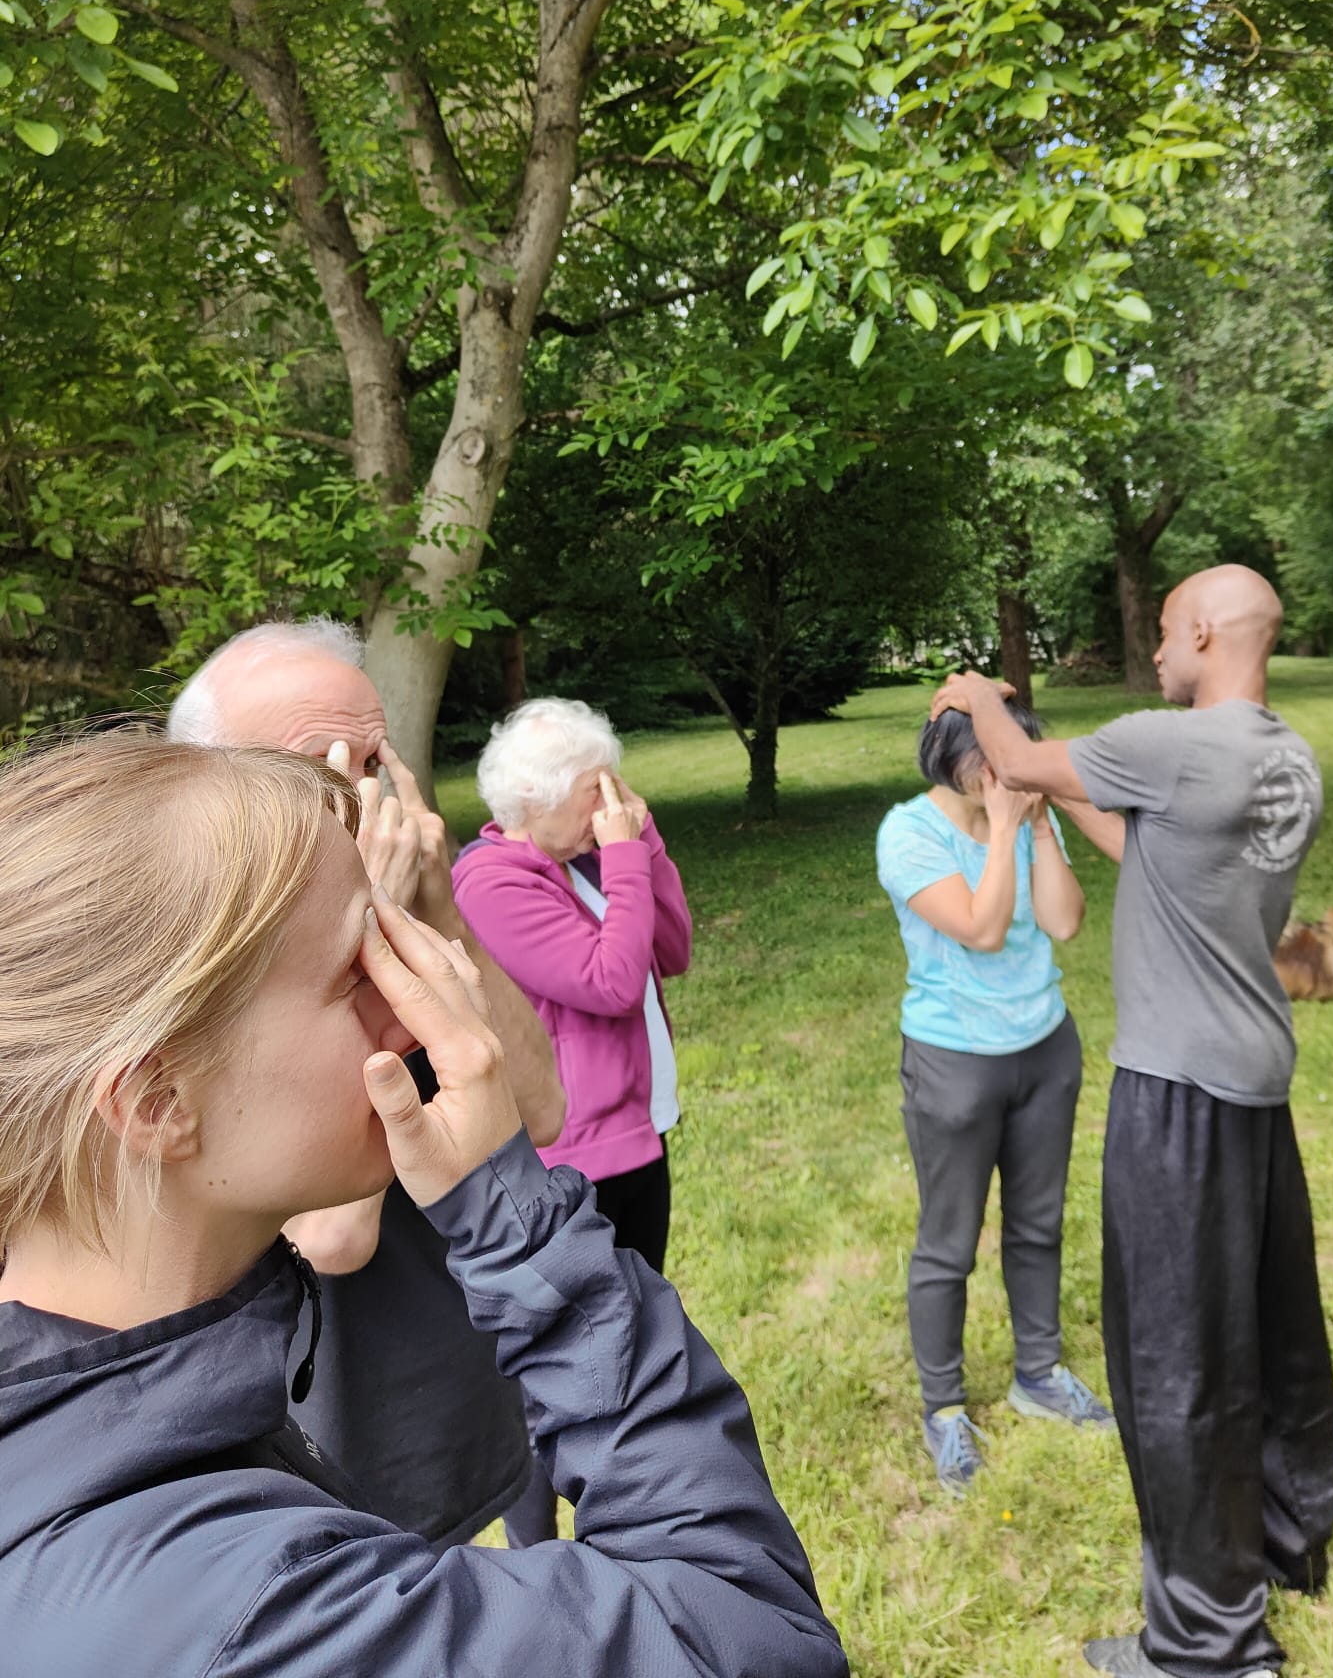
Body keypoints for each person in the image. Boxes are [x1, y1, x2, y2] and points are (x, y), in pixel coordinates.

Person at [0, 731, 847, 1678]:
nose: (425, 1006)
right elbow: (750, 1634)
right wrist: (509, 1214)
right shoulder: (255, 1615)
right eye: (361, 971)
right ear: (156, 1103)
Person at [931, 565, 1333, 1678]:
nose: (1157, 650)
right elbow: (1154, 854)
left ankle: (1206, 1641)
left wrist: (977, 690)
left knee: (1176, 1356)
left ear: (1205, 630)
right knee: (1270, 1326)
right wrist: (1071, 792)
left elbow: (1012, 758)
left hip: (1177, 1095)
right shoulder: (1283, 758)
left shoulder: (1169, 742)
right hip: (1256, 1082)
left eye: (1165, 631)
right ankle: (1291, 1533)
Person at [166, 619, 565, 1549]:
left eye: (377, 757)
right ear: (208, 791)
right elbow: (333, 1238)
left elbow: (542, 1108)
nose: (369, 795)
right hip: (303, 1449)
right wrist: (349, 933)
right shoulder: (176, 971)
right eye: (325, 766)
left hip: (446, 1396)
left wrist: (430, 909)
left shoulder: (404, 911)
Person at [876, 700, 1114, 1499]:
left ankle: (1038, 1372)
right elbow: (980, 927)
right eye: (991, 758)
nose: (1006, 770)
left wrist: (1040, 827)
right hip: (954, 1062)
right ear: (949, 756)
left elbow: (1065, 922)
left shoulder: (1016, 814)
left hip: (1045, 1047)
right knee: (949, 1241)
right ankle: (944, 1409)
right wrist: (1007, 827)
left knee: (1039, 1222)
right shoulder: (910, 833)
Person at [454, 698, 690, 1276]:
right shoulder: (491, 882)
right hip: (579, 1152)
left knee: (649, 1306)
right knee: (612, 1326)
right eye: (596, 788)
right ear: (539, 797)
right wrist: (625, 855)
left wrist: (645, 841)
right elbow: (612, 984)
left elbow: (673, 950)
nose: (611, 803)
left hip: (635, 1129)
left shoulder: (581, 861)